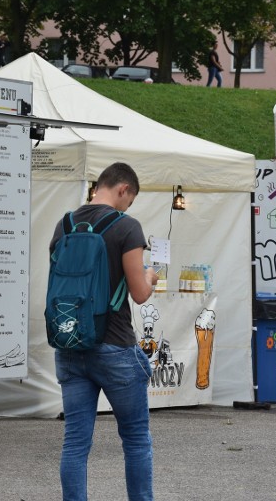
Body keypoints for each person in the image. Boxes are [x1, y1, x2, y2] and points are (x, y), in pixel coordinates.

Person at [50, 162, 158, 501]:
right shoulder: (126, 227)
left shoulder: (64, 225)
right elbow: (139, 293)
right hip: (114, 347)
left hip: (70, 342)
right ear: (123, 189)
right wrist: (151, 276)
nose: (129, 207)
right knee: (136, 438)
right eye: (130, 200)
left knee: (76, 442)